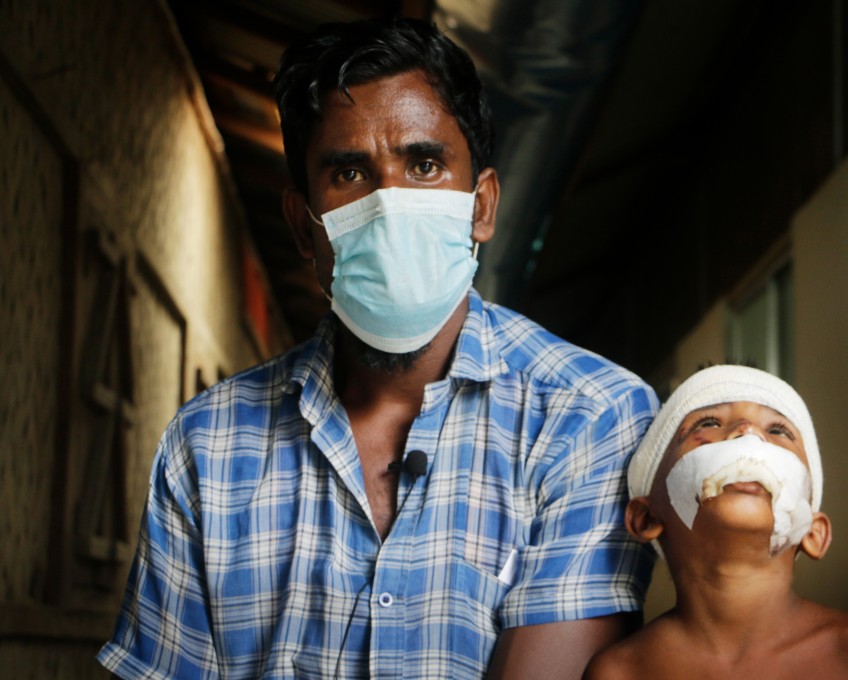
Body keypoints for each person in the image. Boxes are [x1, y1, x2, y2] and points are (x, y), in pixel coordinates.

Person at [97, 16, 659, 680]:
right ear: (303, 227)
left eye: (424, 164)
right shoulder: (207, 444)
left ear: (481, 207)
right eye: (349, 172)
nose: (390, 203)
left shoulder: (590, 419)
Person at [584, 364, 848, 680]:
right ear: (646, 517)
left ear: (813, 532)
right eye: (709, 423)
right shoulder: (621, 672)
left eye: (778, 431)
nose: (748, 431)